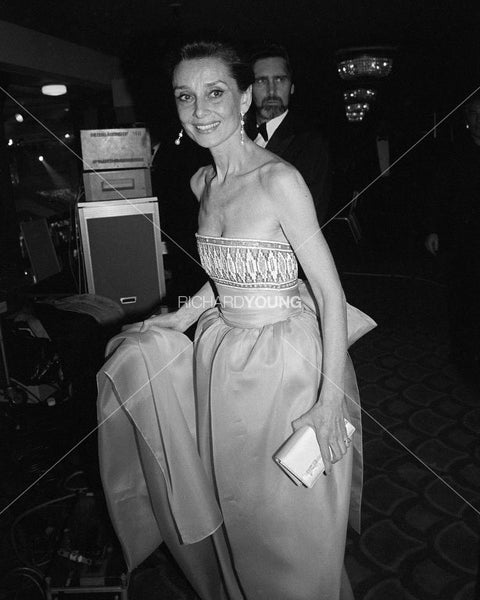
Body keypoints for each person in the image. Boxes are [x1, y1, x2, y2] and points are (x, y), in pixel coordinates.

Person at [102, 39, 372, 600]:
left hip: (285, 365)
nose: (200, 110)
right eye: (185, 96)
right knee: (239, 506)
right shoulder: (202, 184)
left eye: (216, 92)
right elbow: (230, 272)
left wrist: (327, 403)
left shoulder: (281, 181)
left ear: (245, 98)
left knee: (290, 522)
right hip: (222, 360)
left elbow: (327, 288)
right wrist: (185, 317)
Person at [424, 95, 480, 382]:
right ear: (467, 118)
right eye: (473, 114)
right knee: (461, 296)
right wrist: (433, 230)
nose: (478, 121)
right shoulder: (455, 152)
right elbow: (439, 195)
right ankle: (462, 353)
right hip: (461, 238)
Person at [248, 43, 331, 226]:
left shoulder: (312, 144)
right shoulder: (235, 137)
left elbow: (311, 220)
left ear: (291, 87)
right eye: (261, 81)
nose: (271, 91)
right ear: (249, 89)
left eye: (279, 80)